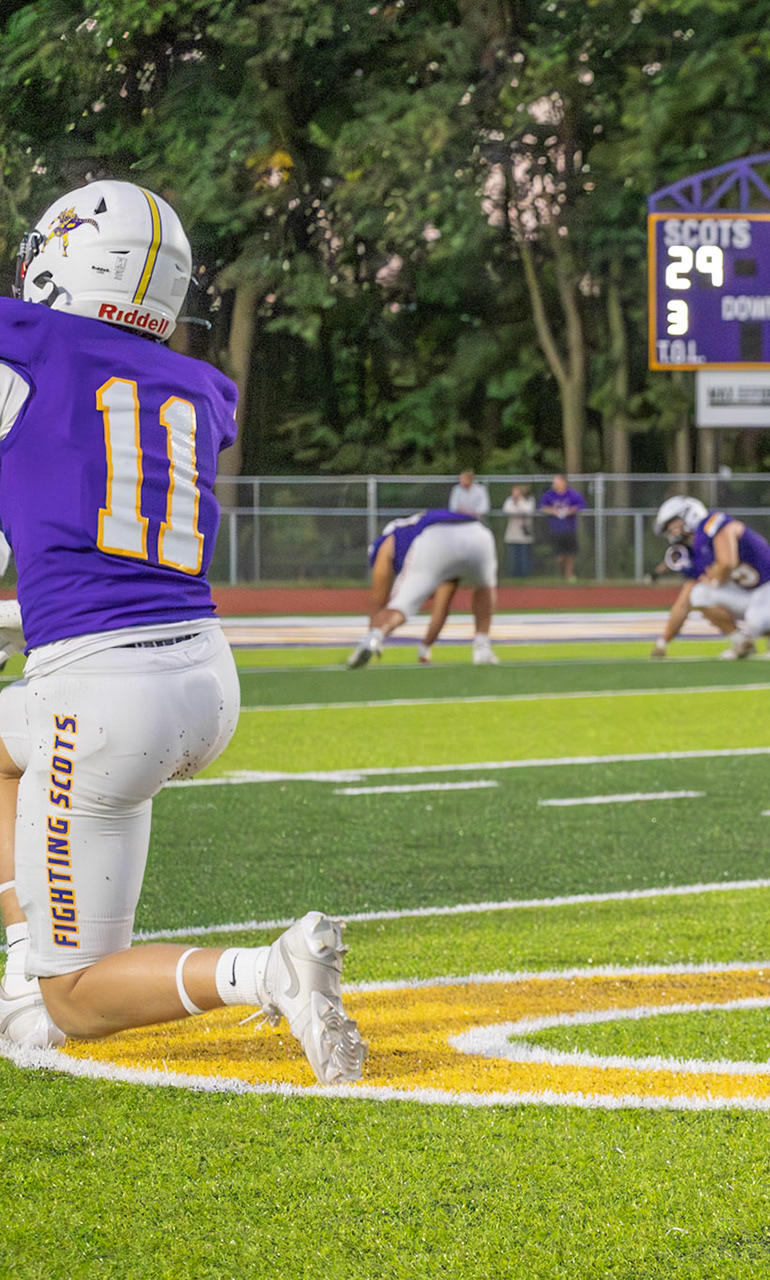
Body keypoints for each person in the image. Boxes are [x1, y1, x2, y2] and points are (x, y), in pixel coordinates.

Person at [0, 180, 364, 1082]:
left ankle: (268, 972)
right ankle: (22, 977)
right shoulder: (203, 386)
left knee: (77, 999)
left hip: (100, 691)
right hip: (202, 676)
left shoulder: (31, 342)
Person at [651, 496, 770, 661]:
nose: (672, 530)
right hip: (750, 592)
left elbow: (728, 562)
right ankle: (741, 642)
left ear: (688, 514)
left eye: (673, 522)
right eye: (668, 527)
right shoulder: (698, 552)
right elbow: (684, 603)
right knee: (698, 594)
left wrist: (717, 577)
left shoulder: (713, 523)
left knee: (757, 621)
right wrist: (662, 642)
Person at [346, 509, 499, 667]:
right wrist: (425, 646)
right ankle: (482, 648)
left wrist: (375, 631)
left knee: (400, 607)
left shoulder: (387, 542)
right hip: (478, 533)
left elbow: (378, 600)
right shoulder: (412, 528)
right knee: (485, 587)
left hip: (435, 538)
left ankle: (371, 640)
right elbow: (442, 608)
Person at [541, 474, 586, 581]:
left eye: (557, 482)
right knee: (559, 556)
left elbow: (581, 504)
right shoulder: (549, 495)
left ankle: (569, 574)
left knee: (570, 553)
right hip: (556, 529)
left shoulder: (572, 494)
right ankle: (562, 573)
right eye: (554, 483)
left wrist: (569, 511)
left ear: (564, 483)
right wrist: (554, 511)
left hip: (570, 528)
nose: (555, 484)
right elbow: (543, 507)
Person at [502, 483, 536, 578]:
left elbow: (527, 511)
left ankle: (525, 574)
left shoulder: (529, 500)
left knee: (524, 555)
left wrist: (519, 502)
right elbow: (507, 510)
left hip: (525, 531)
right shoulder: (509, 500)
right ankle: (514, 574)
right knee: (513, 555)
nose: (515, 494)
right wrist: (516, 507)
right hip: (512, 532)